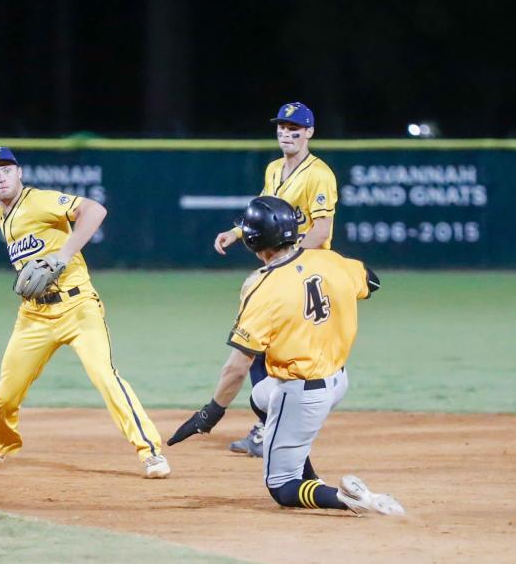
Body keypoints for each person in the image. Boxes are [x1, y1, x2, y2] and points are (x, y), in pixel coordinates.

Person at [0, 147, 170, 479]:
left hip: (78, 308)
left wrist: (62, 256)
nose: (1, 177)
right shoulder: (8, 211)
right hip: (33, 316)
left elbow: (95, 210)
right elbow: (1, 217)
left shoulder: (41, 200)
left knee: (106, 378)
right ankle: (0, 445)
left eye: (6, 170)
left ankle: (150, 452)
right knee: (4, 397)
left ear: (19, 173)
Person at [169, 196, 403, 515]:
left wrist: (212, 413)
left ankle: (354, 499)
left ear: (252, 241)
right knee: (261, 396)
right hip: (337, 380)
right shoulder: (330, 260)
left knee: (282, 488)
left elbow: (238, 366)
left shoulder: (262, 287)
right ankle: (308, 473)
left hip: (302, 394)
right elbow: (371, 280)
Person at [214, 101, 339, 458]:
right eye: (282, 127)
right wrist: (237, 232)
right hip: (282, 269)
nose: (287, 133)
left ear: (309, 133)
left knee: (271, 348)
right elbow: (266, 215)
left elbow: (322, 229)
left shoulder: (320, 174)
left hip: (306, 270)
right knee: (262, 347)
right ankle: (271, 424)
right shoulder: (273, 169)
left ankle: (275, 426)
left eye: (294, 128)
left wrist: (289, 259)